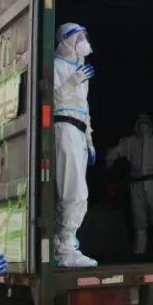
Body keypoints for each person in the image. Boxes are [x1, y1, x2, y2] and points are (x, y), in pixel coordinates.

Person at [53, 22, 98, 267]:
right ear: (67, 40)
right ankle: (66, 249)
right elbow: (52, 100)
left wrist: (89, 140)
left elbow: (84, 108)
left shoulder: (80, 70)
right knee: (74, 192)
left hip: (78, 132)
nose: (84, 41)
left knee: (76, 191)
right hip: (65, 127)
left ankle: (63, 244)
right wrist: (72, 81)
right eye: (79, 37)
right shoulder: (56, 65)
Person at [106, 113, 153, 255]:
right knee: (139, 220)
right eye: (141, 124)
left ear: (151, 126)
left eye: (145, 124)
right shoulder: (131, 142)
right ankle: (139, 251)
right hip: (137, 184)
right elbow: (117, 150)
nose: (143, 127)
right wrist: (110, 158)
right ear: (137, 127)